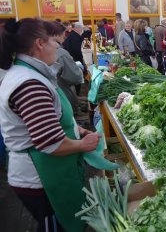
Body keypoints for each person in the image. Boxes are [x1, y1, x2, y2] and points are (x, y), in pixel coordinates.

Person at [0, 18, 101, 232]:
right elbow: (50, 143)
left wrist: (77, 130)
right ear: (40, 43)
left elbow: (47, 120)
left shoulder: (30, 73)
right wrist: (84, 144)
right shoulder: (29, 84)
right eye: (54, 42)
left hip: (47, 172)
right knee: (55, 226)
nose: (58, 47)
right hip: (40, 178)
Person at [52, 21, 84, 115]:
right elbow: (75, 77)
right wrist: (78, 69)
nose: (64, 36)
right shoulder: (60, 53)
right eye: (63, 33)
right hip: (62, 98)